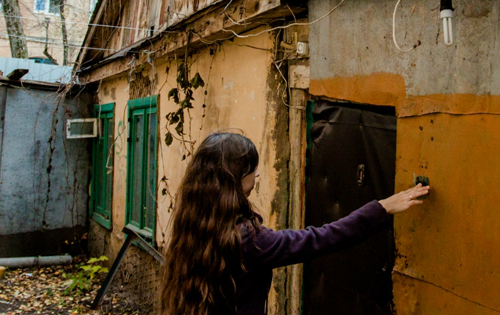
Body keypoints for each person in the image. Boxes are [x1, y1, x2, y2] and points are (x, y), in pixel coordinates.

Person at [160, 131, 430, 315]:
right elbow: (320, 238)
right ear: (237, 178)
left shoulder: (195, 222)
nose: (257, 175)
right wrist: (382, 208)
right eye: (253, 170)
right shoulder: (247, 240)